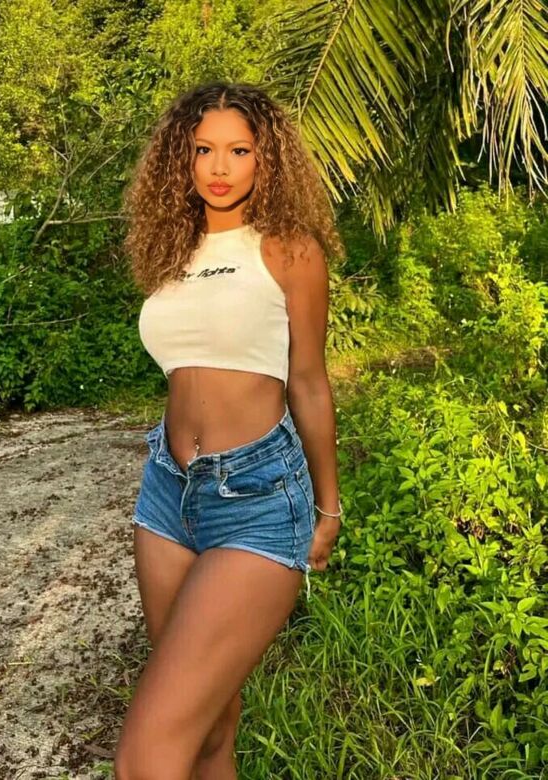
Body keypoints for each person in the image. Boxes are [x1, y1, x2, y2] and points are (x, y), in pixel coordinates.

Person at [116, 80, 344, 780]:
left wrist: (329, 508)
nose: (219, 167)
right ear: (179, 159)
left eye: (239, 151)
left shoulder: (289, 251)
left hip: (258, 495)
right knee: (211, 727)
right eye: (203, 150)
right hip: (166, 494)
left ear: (265, 158)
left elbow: (308, 381)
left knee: (146, 757)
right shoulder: (169, 252)